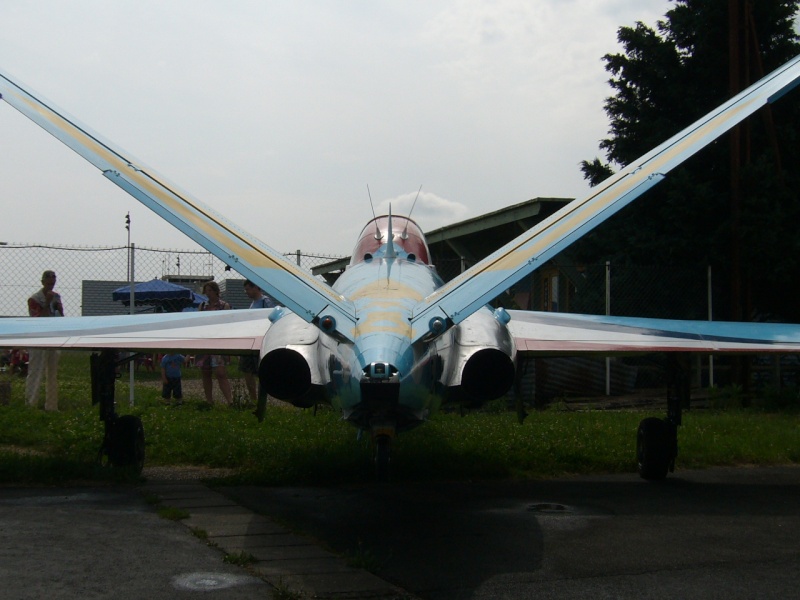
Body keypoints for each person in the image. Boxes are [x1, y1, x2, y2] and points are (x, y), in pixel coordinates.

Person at [26, 270, 63, 411]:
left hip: (53, 338)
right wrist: (47, 303)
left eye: (53, 280)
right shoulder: (34, 299)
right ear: (42, 282)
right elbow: (40, 319)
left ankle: (52, 406)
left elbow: (60, 318)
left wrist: (60, 309)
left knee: (52, 374)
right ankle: (30, 404)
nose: (51, 283)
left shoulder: (56, 297)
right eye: (48, 280)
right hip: (39, 338)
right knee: (36, 371)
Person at [239, 279, 276, 405]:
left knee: (260, 371)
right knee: (247, 371)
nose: (246, 292)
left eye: (248, 289)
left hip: (261, 341)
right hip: (251, 340)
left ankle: (261, 399)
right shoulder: (253, 303)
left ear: (255, 288)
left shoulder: (266, 302)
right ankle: (253, 398)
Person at [197, 281, 233, 405]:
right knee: (206, 373)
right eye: (206, 291)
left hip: (219, 341)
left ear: (216, 291)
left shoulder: (224, 306)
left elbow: (228, 324)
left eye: (210, 291)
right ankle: (209, 401)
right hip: (205, 341)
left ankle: (230, 401)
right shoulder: (202, 306)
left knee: (220, 372)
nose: (208, 294)